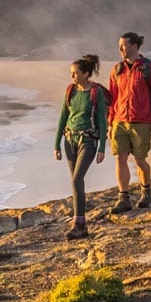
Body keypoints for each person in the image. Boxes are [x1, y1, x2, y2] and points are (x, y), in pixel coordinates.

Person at [105, 32, 151, 212]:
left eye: (123, 45)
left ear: (134, 46)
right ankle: (123, 198)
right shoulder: (117, 69)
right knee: (120, 158)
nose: (120, 49)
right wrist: (110, 122)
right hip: (119, 120)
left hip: (142, 121)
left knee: (140, 160)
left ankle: (146, 191)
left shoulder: (150, 68)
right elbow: (112, 98)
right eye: (119, 46)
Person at [53, 54, 108, 239]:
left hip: (88, 141)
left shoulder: (95, 93)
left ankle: (79, 224)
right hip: (69, 140)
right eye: (71, 73)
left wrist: (102, 147)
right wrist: (56, 145)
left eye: (75, 73)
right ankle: (80, 224)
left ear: (86, 73)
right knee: (77, 183)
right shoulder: (70, 91)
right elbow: (62, 117)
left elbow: (102, 120)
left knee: (76, 180)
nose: (72, 77)